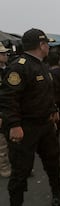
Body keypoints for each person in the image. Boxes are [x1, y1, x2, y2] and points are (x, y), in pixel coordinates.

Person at [0, 28, 60, 206]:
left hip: (45, 125)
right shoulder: (19, 67)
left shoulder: (41, 66)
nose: (48, 47)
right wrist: (14, 125)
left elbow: (46, 93)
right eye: (47, 44)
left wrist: (53, 110)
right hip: (25, 127)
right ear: (41, 45)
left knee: (52, 160)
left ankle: (57, 192)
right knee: (21, 171)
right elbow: (8, 99)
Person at [0, 42, 12, 178]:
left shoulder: (8, 69)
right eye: (2, 53)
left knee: (12, 142)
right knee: (2, 144)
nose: (5, 55)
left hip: (9, 109)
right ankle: (4, 167)